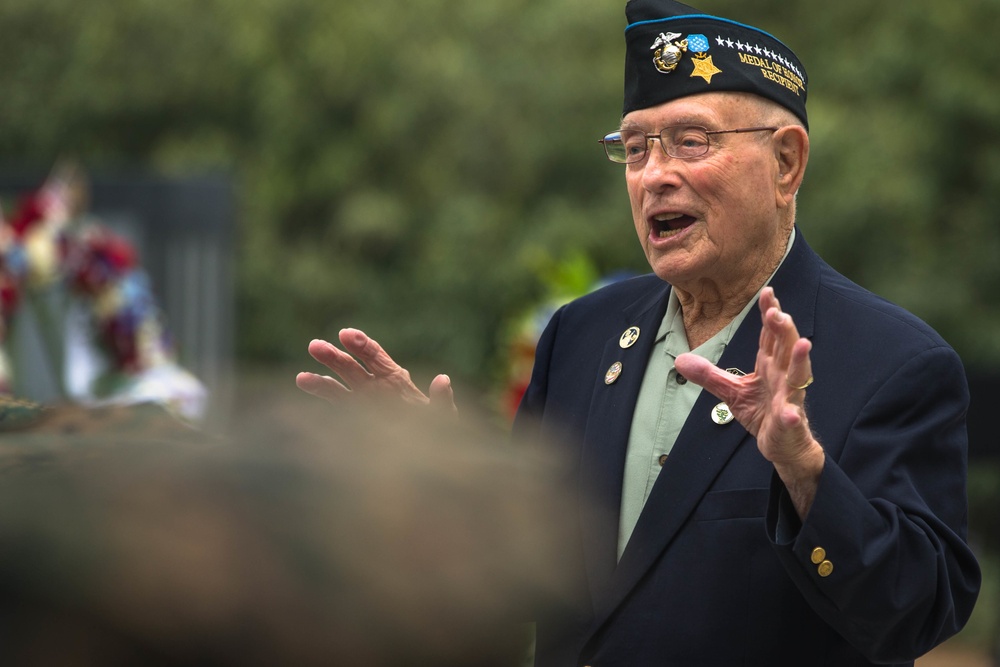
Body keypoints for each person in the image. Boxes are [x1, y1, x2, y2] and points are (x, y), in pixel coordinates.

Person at [297, 0, 982, 664]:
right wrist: (447, 481)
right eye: (634, 147)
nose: (655, 175)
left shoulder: (894, 363)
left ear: (786, 164)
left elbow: (915, 613)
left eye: (691, 141)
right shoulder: (581, 335)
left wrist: (804, 474)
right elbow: (517, 588)